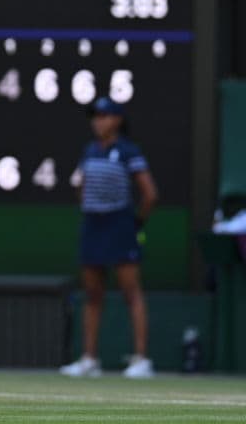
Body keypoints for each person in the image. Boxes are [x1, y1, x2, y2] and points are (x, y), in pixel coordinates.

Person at [61, 98, 158, 379]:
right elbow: (80, 184)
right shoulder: (89, 151)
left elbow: (150, 195)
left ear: (117, 120)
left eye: (104, 116)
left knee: (131, 292)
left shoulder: (129, 151)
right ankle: (89, 359)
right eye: (95, 116)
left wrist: (135, 223)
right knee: (92, 294)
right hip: (93, 225)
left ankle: (141, 359)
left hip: (120, 226)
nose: (98, 121)